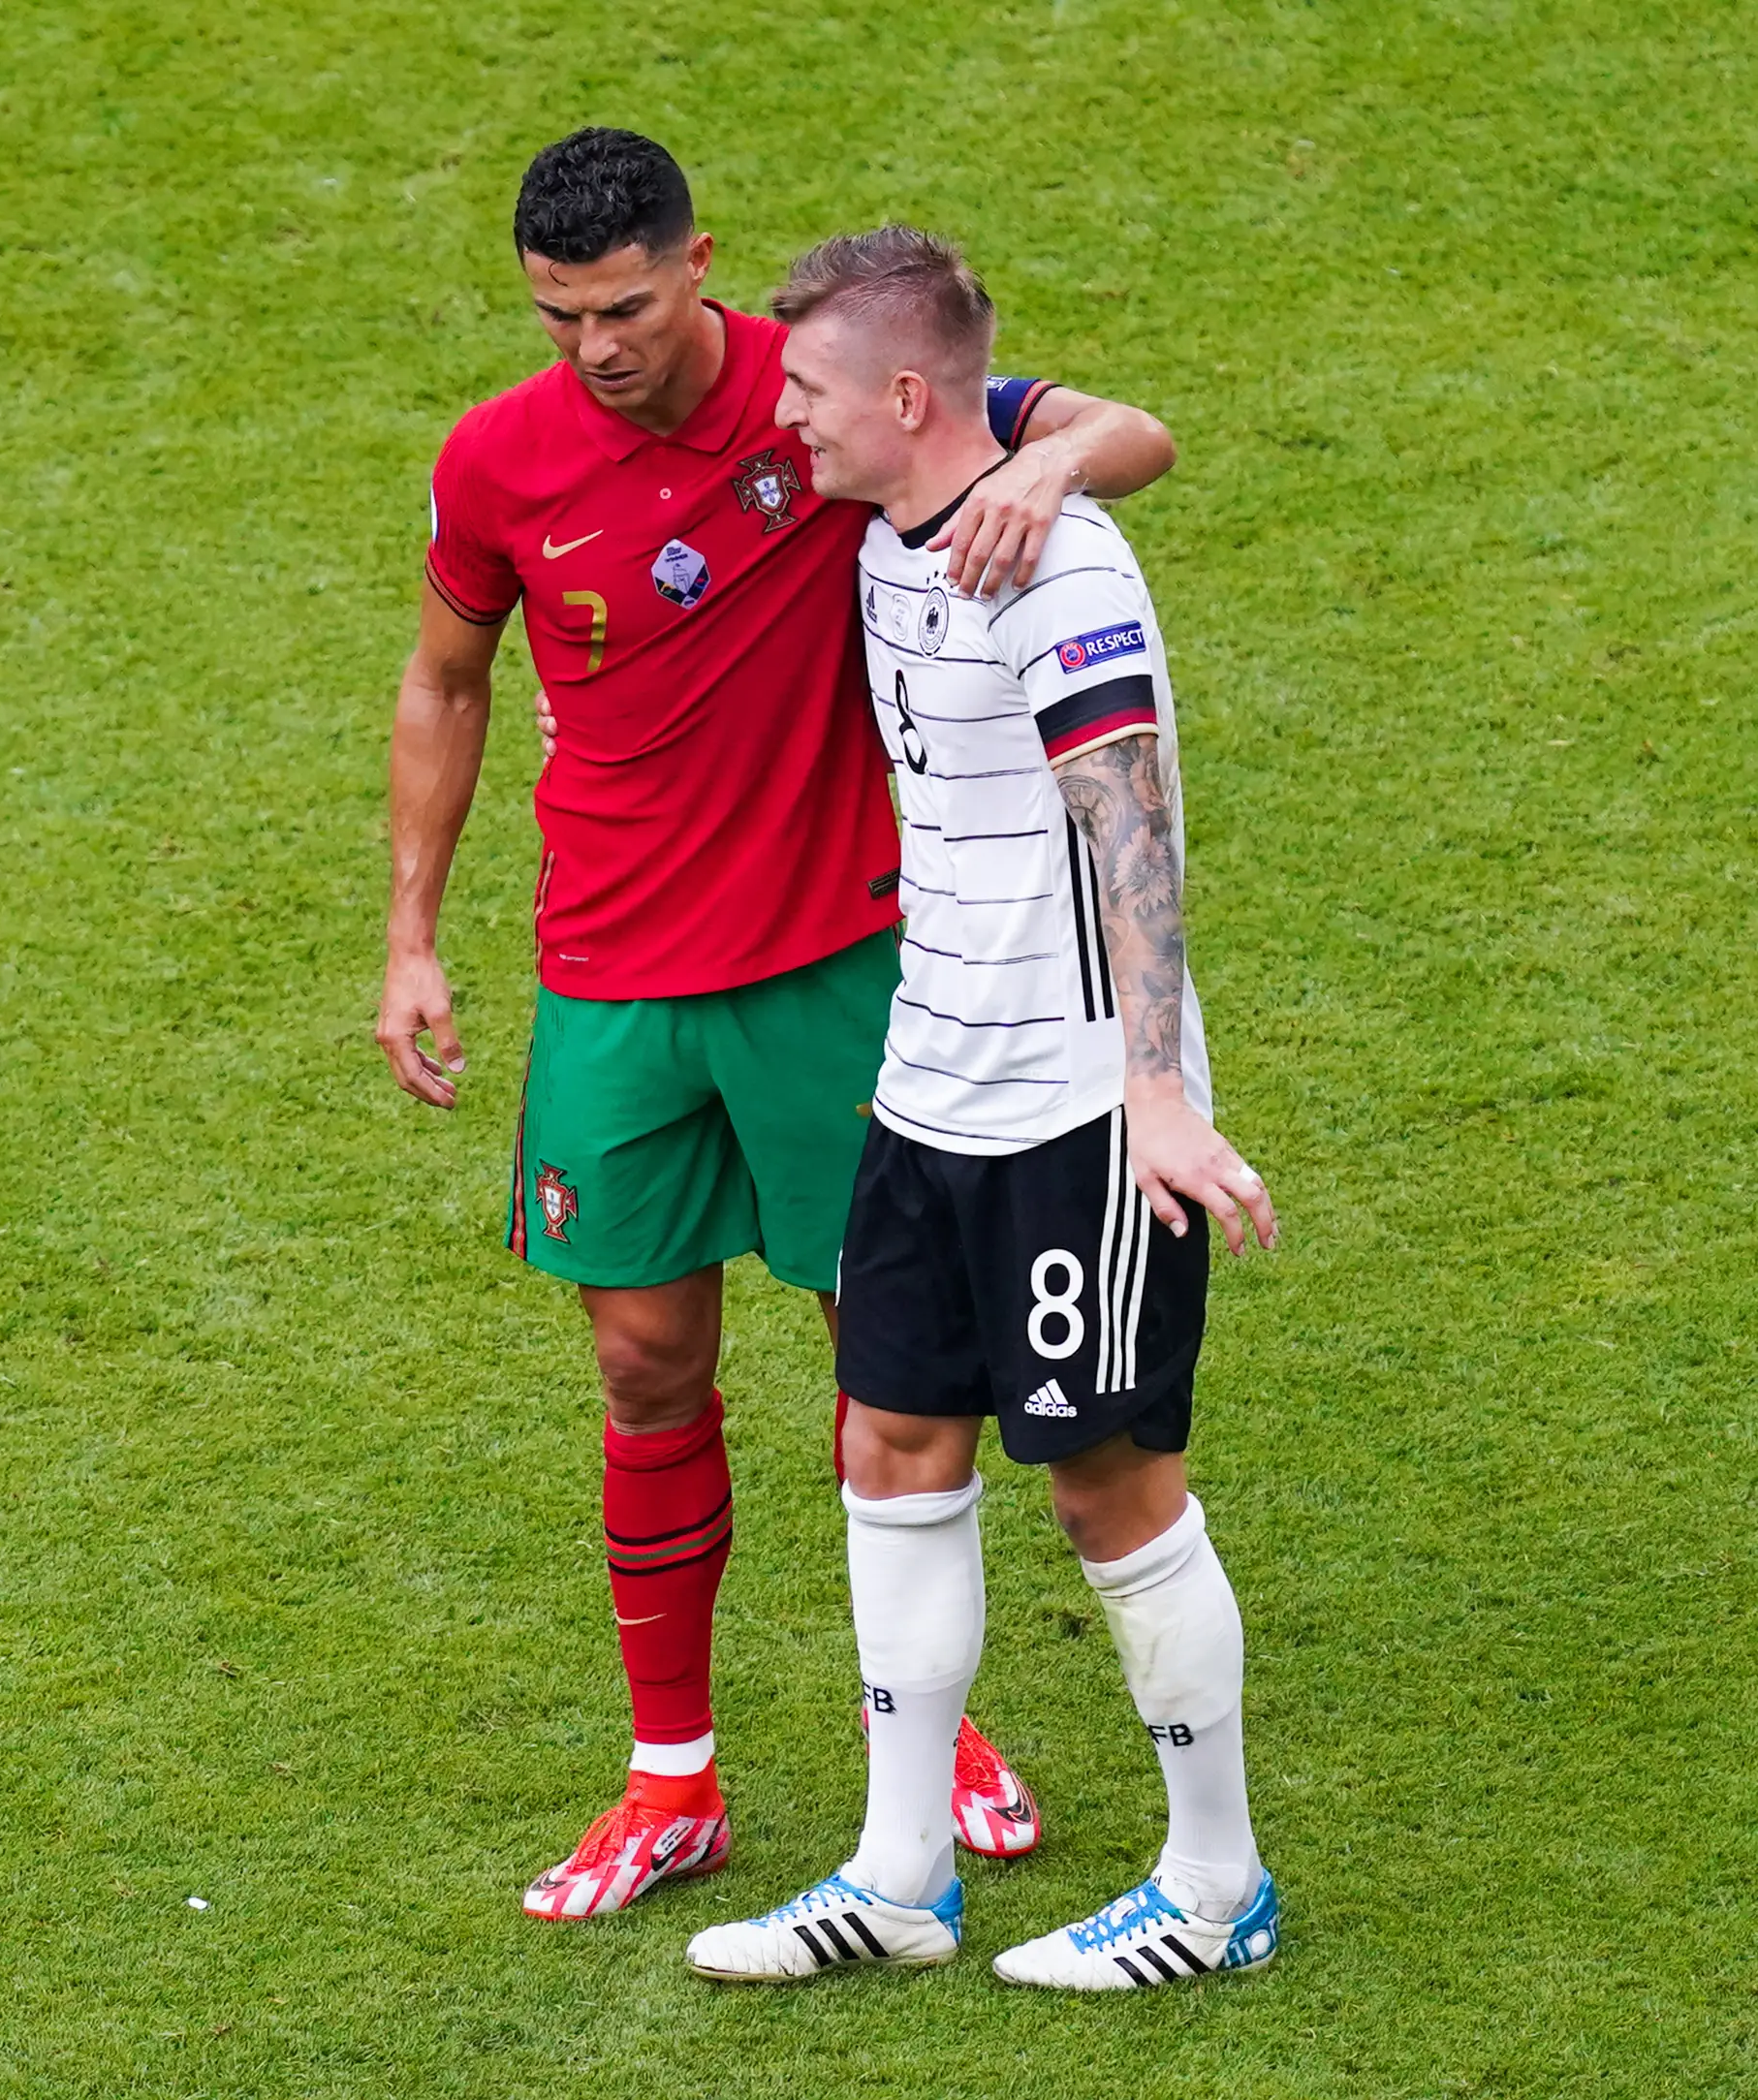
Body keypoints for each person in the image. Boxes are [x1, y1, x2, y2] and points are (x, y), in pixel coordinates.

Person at [377, 129, 1181, 1922]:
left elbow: (1128, 431)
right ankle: (672, 1774)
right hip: (610, 981)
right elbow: (446, 676)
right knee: (643, 1363)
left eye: (626, 305)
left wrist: (1042, 472)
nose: (595, 345)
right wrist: (410, 934)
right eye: (558, 315)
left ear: (696, 264)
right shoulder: (496, 463)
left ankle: (932, 1733)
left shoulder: (822, 397)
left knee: (884, 1354)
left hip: (834, 964)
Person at [681, 225, 1280, 1990]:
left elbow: (1131, 817)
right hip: (926, 1087)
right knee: (890, 1448)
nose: (779, 417)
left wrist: (1153, 1096)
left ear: (907, 397)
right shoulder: (912, 503)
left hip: (1070, 1119)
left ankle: (1213, 1886)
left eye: (802, 389)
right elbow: (1104, 414)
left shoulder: (1054, 569)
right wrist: (1058, 437)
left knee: (1108, 1485)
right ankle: (899, 1873)